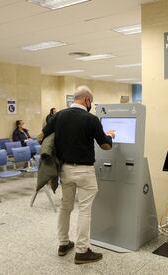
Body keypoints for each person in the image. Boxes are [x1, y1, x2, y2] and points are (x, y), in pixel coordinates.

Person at [39, 85, 115, 264]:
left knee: (66, 207)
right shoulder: (91, 119)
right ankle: (82, 251)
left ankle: (64, 243)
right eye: (91, 101)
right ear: (87, 100)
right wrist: (109, 135)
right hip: (85, 171)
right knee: (84, 209)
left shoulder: (58, 115)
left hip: (65, 170)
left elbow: (40, 137)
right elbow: (106, 145)